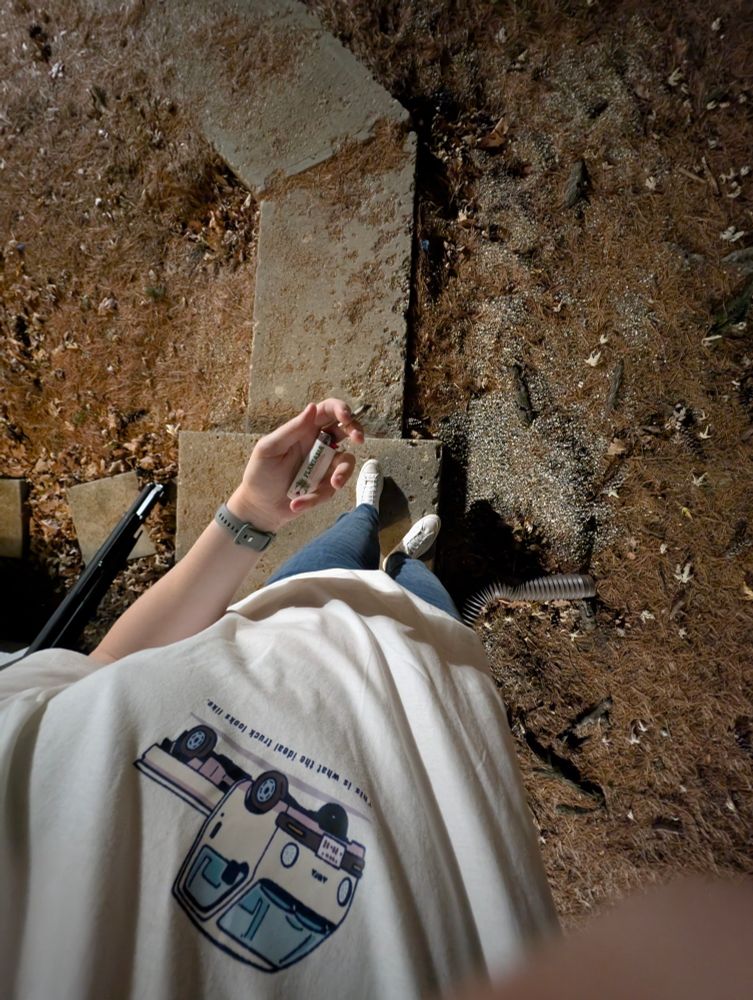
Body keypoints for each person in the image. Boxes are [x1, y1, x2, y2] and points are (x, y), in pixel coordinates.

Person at [0, 397, 559, 998]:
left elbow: (104, 664)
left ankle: (367, 515)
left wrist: (249, 513)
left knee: (345, 538)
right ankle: (402, 560)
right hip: (431, 657)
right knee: (417, 581)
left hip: (296, 604)